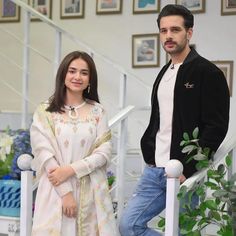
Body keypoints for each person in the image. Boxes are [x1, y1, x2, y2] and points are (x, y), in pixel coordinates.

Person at [119, 4, 230, 236]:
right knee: (128, 226)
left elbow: (216, 127)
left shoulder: (208, 73)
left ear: (189, 33)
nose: (168, 36)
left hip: (184, 172)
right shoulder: (164, 72)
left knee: (184, 230)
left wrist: (188, 168)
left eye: (175, 30)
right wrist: (149, 153)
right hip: (154, 170)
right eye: (163, 30)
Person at [30, 51, 117, 236]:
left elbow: (104, 152)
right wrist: (66, 193)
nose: (77, 77)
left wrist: (70, 170)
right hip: (55, 190)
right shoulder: (44, 112)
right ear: (63, 75)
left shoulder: (98, 111)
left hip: (91, 191)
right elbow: (44, 155)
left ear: (90, 79)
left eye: (84, 73)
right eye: (72, 71)